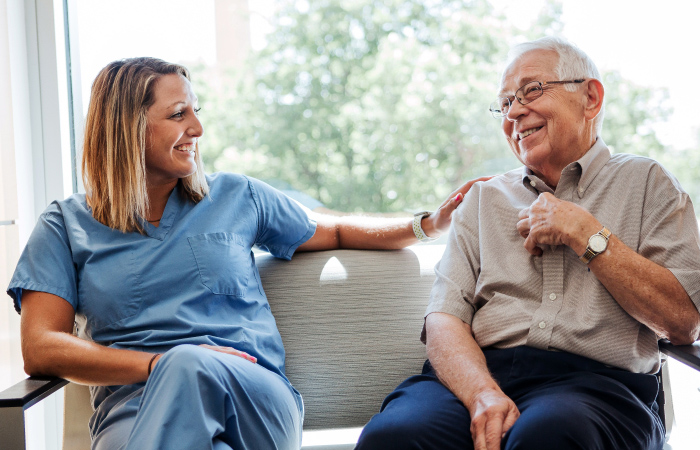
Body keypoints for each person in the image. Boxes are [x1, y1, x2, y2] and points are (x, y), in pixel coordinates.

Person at [5, 57, 489, 450]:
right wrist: (156, 363)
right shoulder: (65, 224)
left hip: (253, 399)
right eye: (178, 114)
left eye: (195, 111)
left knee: (190, 364)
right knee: (184, 369)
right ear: (127, 128)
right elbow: (41, 347)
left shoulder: (235, 196)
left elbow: (335, 231)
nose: (197, 127)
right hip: (134, 410)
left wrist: (427, 224)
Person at [355, 37, 700, 450]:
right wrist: (482, 393)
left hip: (598, 388)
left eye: (531, 91)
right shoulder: (483, 200)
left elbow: (683, 322)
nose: (514, 112)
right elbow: (444, 319)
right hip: (478, 378)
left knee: (549, 435)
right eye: (504, 104)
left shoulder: (648, 183)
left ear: (590, 97)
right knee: (392, 436)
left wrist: (584, 232)